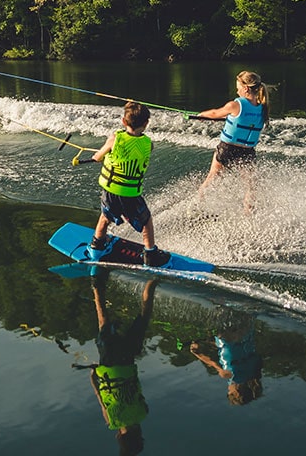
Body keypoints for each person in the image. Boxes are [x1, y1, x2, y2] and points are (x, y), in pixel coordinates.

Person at [89, 101, 168, 266]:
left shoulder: (114, 138)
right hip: (131, 193)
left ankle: (97, 246)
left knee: (105, 217)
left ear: (124, 122)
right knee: (146, 222)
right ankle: (150, 253)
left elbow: (98, 157)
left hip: (111, 190)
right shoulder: (149, 144)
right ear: (146, 123)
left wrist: (99, 155)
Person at [89, 270, 157, 456]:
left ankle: (154, 279)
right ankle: (97, 283)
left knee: (144, 316)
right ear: (120, 438)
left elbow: (138, 394)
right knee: (103, 321)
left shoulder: (143, 413)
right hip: (109, 364)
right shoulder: (113, 421)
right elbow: (101, 398)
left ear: (140, 435)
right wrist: (94, 377)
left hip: (128, 359)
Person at [195, 71, 273, 208]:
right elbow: (243, 119)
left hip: (227, 148)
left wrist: (201, 115)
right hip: (247, 152)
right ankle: (249, 215)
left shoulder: (235, 105)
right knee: (251, 187)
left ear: (246, 88)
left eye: (238, 88)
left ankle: (196, 206)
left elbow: (214, 113)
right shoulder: (263, 108)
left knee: (212, 178)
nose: (237, 91)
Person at [189, 306, 264, 406]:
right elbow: (211, 362)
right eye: (229, 391)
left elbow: (236, 352)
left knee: (247, 309)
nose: (228, 388)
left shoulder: (254, 372)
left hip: (245, 334)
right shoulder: (229, 376)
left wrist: (208, 343)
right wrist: (197, 353)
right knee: (219, 309)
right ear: (236, 393)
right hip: (227, 338)